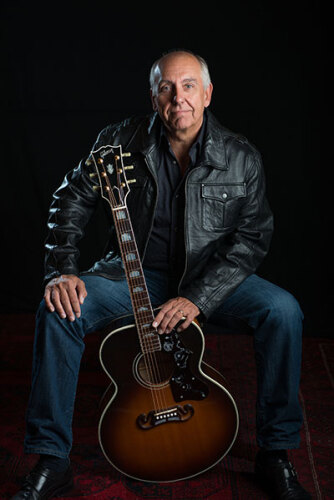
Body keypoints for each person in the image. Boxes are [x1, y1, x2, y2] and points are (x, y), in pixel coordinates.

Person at [12, 49, 311, 500]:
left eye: (189, 86)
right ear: (154, 98)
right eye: (166, 88)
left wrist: (199, 298)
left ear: (207, 94)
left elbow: (251, 240)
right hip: (132, 275)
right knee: (58, 309)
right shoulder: (118, 140)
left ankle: (276, 453)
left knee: (284, 310)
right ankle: (51, 458)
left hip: (211, 280)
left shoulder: (240, 156)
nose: (179, 98)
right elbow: (70, 199)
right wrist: (61, 271)